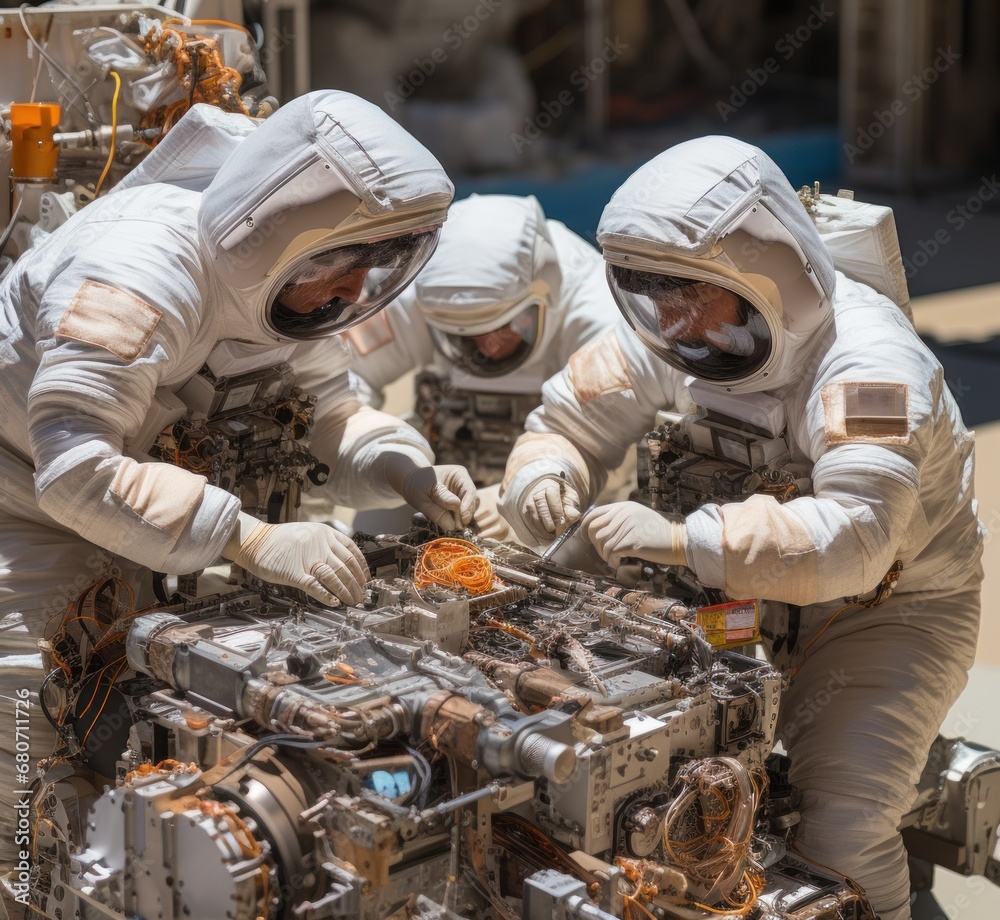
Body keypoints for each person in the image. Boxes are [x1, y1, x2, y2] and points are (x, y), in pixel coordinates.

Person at [498, 136, 983, 920]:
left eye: (694, 296)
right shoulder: (680, 332)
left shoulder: (870, 364)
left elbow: (857, 536)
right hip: (735, 603)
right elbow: (570, 418)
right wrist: (543, 476)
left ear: (766, 273)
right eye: (659, 296)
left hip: (889, 614)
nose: (679, 319)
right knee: (641, 771)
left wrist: (682, 538)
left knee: (838, 830)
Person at [0, 90, 477, 875]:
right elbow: (77, 469)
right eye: (342, 267)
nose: (354, 291)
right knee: (40, 735)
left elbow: (333, 412)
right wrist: (247, 537)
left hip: (166, 514)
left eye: (372, 268)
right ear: (275, 235)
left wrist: (403, 465)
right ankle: (35, 879)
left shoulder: (282, 288)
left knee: (192, 712)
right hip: (28, 497)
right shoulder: (137, 271)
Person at [331, 193, 618, 538]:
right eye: (462, 336)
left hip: (555, 476)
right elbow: (345, 379)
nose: (487, 347)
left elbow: (610, 433)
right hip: (440, 469)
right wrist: (392, 462)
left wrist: (521, 488)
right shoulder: (423, 293)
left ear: (546, 296)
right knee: (373, 544)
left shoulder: (596, 312)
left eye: (504, 327)